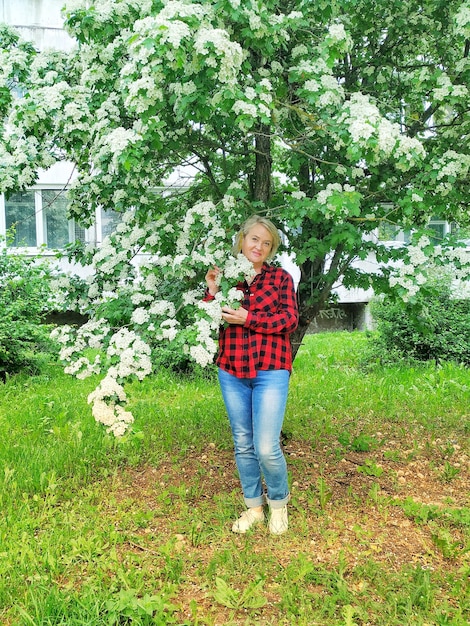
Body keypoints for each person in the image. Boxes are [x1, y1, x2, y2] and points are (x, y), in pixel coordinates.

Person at [205, 215, 299, 535]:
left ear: (271, 249)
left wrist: (249, 318)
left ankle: (278, 505)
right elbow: (208, 321)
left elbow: (288, 320)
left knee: (266, 445)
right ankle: (254, 508)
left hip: (271, 370)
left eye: (266, 243)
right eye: (254, 239)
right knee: (243, 443)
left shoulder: (280, 279)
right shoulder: (229, 278)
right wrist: (213, 290)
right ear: (242, 240)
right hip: (231, 370)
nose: (259, 246)